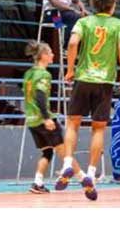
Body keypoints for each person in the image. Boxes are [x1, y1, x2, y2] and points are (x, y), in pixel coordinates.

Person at [55, 0, 120, 201]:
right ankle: (90, 173)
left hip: (83, 78)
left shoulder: (83, 22)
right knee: (98, 130)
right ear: (113, 4)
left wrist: (70, 69)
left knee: (72, 124)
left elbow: (72, 43)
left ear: (93, 3)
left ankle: (68, 164)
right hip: (104, 83)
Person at [22, 40, 85, 193]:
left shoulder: (29, 73)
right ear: (43, 56)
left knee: (47, 152)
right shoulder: (43, 74)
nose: (53, 55)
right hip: (43, 120)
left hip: (31, 120)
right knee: (65, 152)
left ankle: (37, 183)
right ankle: (84, 179)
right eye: (50, 52)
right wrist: (46, 118)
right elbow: (39, 95)